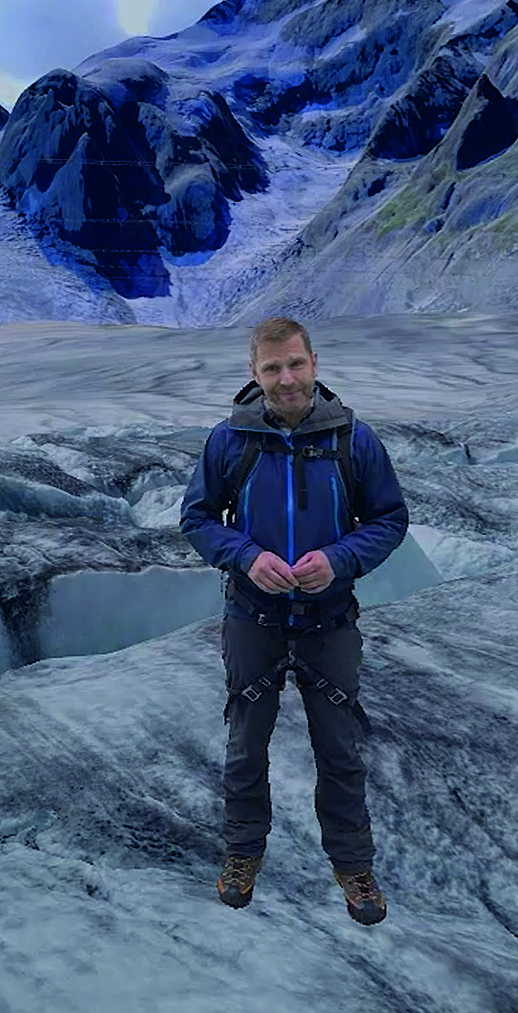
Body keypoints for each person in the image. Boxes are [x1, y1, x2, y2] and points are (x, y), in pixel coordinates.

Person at [179, 316, 409, 925]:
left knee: (340, 749)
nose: (286, 379)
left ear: (314, 362)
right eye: (272, 368)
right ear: (254, 374)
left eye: (295, 364)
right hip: (251, 617)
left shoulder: (353, 441)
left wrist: (339, 559)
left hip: (329, 620)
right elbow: (198, 519)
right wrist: (246, 557)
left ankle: (353, 864)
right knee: (244, 746)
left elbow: (389, 519)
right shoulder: (229, 441)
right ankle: (242, 854)